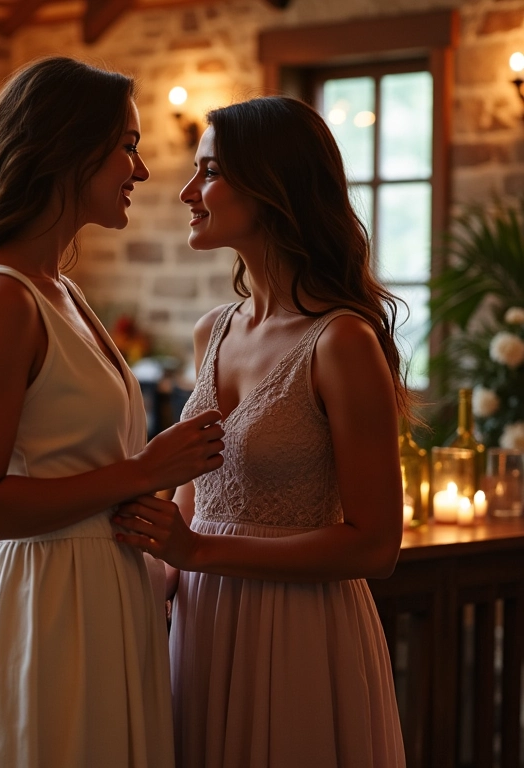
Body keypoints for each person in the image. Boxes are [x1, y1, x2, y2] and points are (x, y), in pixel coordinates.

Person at [0, 56, 224, 768]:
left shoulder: (60, 292)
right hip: (49, 606)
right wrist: (142, 470)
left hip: (106, 597)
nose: (140, 171)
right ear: (67, 148)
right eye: (128, 146)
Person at [113, 95, 409, 768]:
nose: (187, 191)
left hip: (300, 632)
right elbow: (195, 504)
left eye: (210, 172)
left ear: (275, 186)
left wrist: (199, 554)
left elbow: (375, 546)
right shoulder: (211, 331)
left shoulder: (342, 342)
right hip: (204, 622)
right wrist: (133, 579)